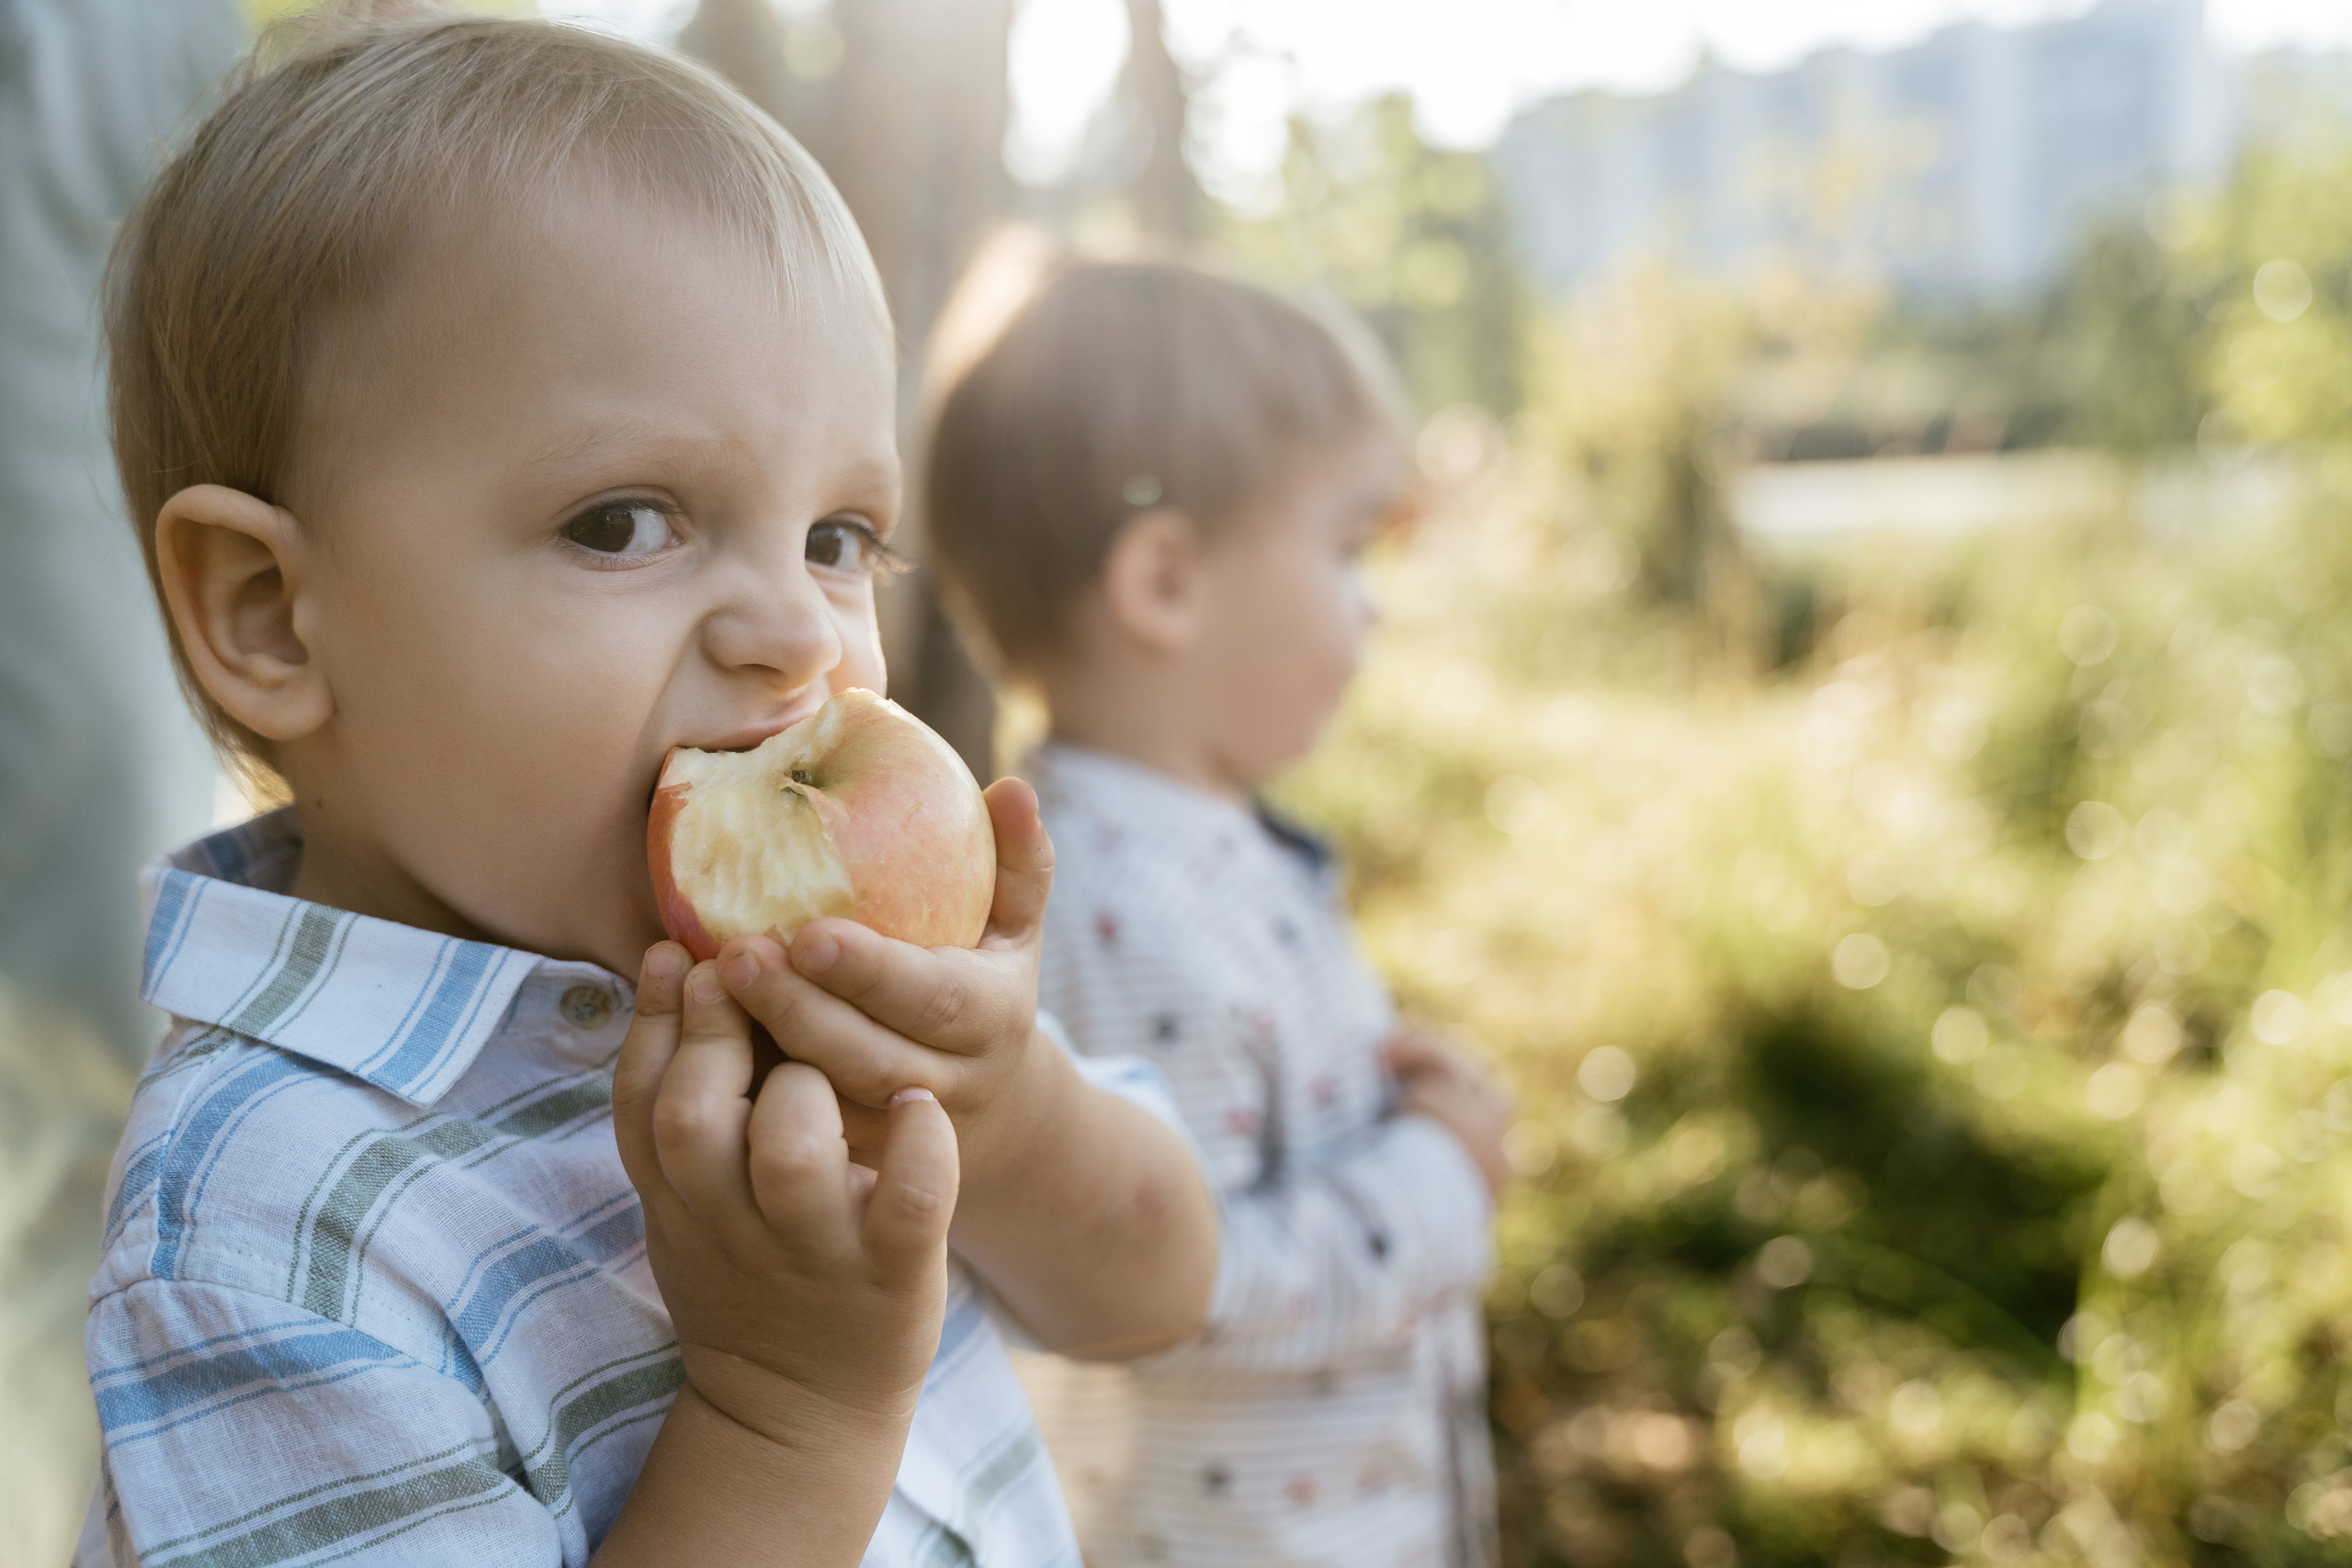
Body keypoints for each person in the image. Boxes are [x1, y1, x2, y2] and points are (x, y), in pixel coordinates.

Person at [78, 15, 1219, 1566]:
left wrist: (1005, 1116)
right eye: (626, 522)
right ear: (274, 613)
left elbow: (1159, 1290)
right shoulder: (267, 1229)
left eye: (837, 538)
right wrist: (784, 1412)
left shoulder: (814, 994)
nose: (798, 638)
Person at [924, 254, 1513, 1568]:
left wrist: (1396, 1096)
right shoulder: (1108, 903)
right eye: (1351, 545)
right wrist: (1437, 1177)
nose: (1375, 603)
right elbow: (1187, 1289)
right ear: (1166, 583)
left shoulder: (1196, 847)